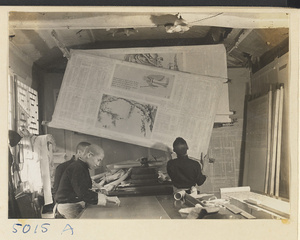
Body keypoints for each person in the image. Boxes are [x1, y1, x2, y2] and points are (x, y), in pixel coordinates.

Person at [54, 144, 120, 218]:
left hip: (73, 204)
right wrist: (106, 198)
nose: (98, 164)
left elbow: (84, 189)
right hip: (69, 207)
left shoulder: (81, 166)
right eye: (98, 160)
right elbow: (83, 193)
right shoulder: (77, 168)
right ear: (89, 155)